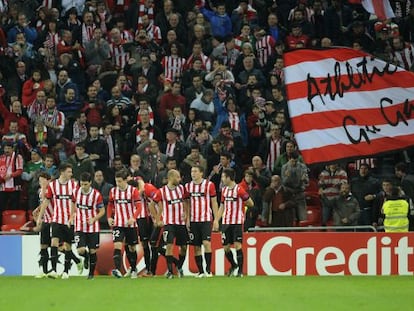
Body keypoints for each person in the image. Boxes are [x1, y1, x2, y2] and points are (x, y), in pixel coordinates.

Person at [37, 163, 80, 279]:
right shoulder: (53, 185)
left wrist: (73, 216)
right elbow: (46, 202)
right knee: (54, 243)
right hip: (56, 218)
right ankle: (54, 270)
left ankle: (66, 271)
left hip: (69, 220)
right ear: (62, 172)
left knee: (67, 245)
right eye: (69, 172)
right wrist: (40, 217)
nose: (71, 174)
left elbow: (76, 202)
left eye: (71, 172)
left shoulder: (74, 185)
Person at [213, 168, 254, 277]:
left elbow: (250, 203)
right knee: (225, 247)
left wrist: (242, 208)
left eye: (223, 177)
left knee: (237, 245)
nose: (222, 179)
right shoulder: (224, 190)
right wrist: (216, 220)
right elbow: (222, 206)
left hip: (237, 222)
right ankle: (234, 265)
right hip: (226, 222)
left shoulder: (239, 190)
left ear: (228, 178)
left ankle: (240, 271)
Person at [150, 169, 189, 279]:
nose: (179, 179)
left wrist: (186, 212)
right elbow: (151, 205)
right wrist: (157, 219)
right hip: (169, 223)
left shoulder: (182, 189)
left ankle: (179, 267)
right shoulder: (161, 191)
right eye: (177, 177)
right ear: (171, 177)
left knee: (184, 247)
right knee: (169, 246)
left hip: (181, 223)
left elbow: (186, 200)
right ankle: (170, 272)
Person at [185, 165, 218, 277]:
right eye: (191, 171)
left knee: (206, 243)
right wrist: (188, 219)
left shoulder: (209, 185)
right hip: (194, 220)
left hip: (206, 219)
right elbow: (187, 204)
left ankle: (208, 270)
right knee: (196, 246)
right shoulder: (188, 186)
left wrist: (216, 219)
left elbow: (214, 202)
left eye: (195, 171)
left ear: (201, 173)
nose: (193, 173)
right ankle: (201, 271)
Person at [107, 169, 141, 279]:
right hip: (118, 223)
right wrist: (109, 217)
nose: (118, 184)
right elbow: (110, 205)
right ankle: (117, 269)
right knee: (117, 244)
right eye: (117, 181)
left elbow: (139, 207)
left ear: (125, 180)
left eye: (120, 181)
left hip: (130, 224)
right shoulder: (113, 191)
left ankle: (134, 268)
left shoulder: (133, 191)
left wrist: (133, 218)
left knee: (131, 247)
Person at [70, 172, 105, 279]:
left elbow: (102, 211)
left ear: (90, 183)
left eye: (85, 184)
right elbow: (72, 203)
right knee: (80, 250)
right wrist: (72, 216)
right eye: (82, 184)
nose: (83, 186)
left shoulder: (96, 195)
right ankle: (86, 257)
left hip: (92, 227)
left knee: (92, 250)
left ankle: (91, 274)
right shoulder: (76, 192)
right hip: (79, 225)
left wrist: (94, 219)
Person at [33, 172, 54, 278]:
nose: (40, 182)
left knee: (58, 247)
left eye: (42, 180)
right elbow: (43, 204)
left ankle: (76, 260)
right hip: (45, 221)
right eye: (39, 181)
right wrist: (37, 210)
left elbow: (54, 204)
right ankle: (45, 271)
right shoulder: (40, 191)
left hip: (53, 220)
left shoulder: (52, 191)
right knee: (43, 246)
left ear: (48, 180)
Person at [281, 151, 309, 222]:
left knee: (303, 219)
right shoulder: (284, 167)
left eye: (296, 161)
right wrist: (287, 176)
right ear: (289, 159)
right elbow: (283, 182)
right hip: (289, 195)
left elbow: (307, 181)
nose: (294, 163)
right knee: (291, 220)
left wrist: (304, 179)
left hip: (300, 193)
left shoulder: (302, 166)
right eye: (293, 161)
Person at [0, 141, 24, 224]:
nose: (6, 150)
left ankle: (14, 224)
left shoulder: (18, 157)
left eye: (8, 148)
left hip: (15, 186)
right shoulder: (1, 157)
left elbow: (20, 171)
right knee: (1, 207)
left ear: (12, 148)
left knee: (14, 206)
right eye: (5, 148)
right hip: (3, 187)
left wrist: (10, 175)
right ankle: (2, 225)